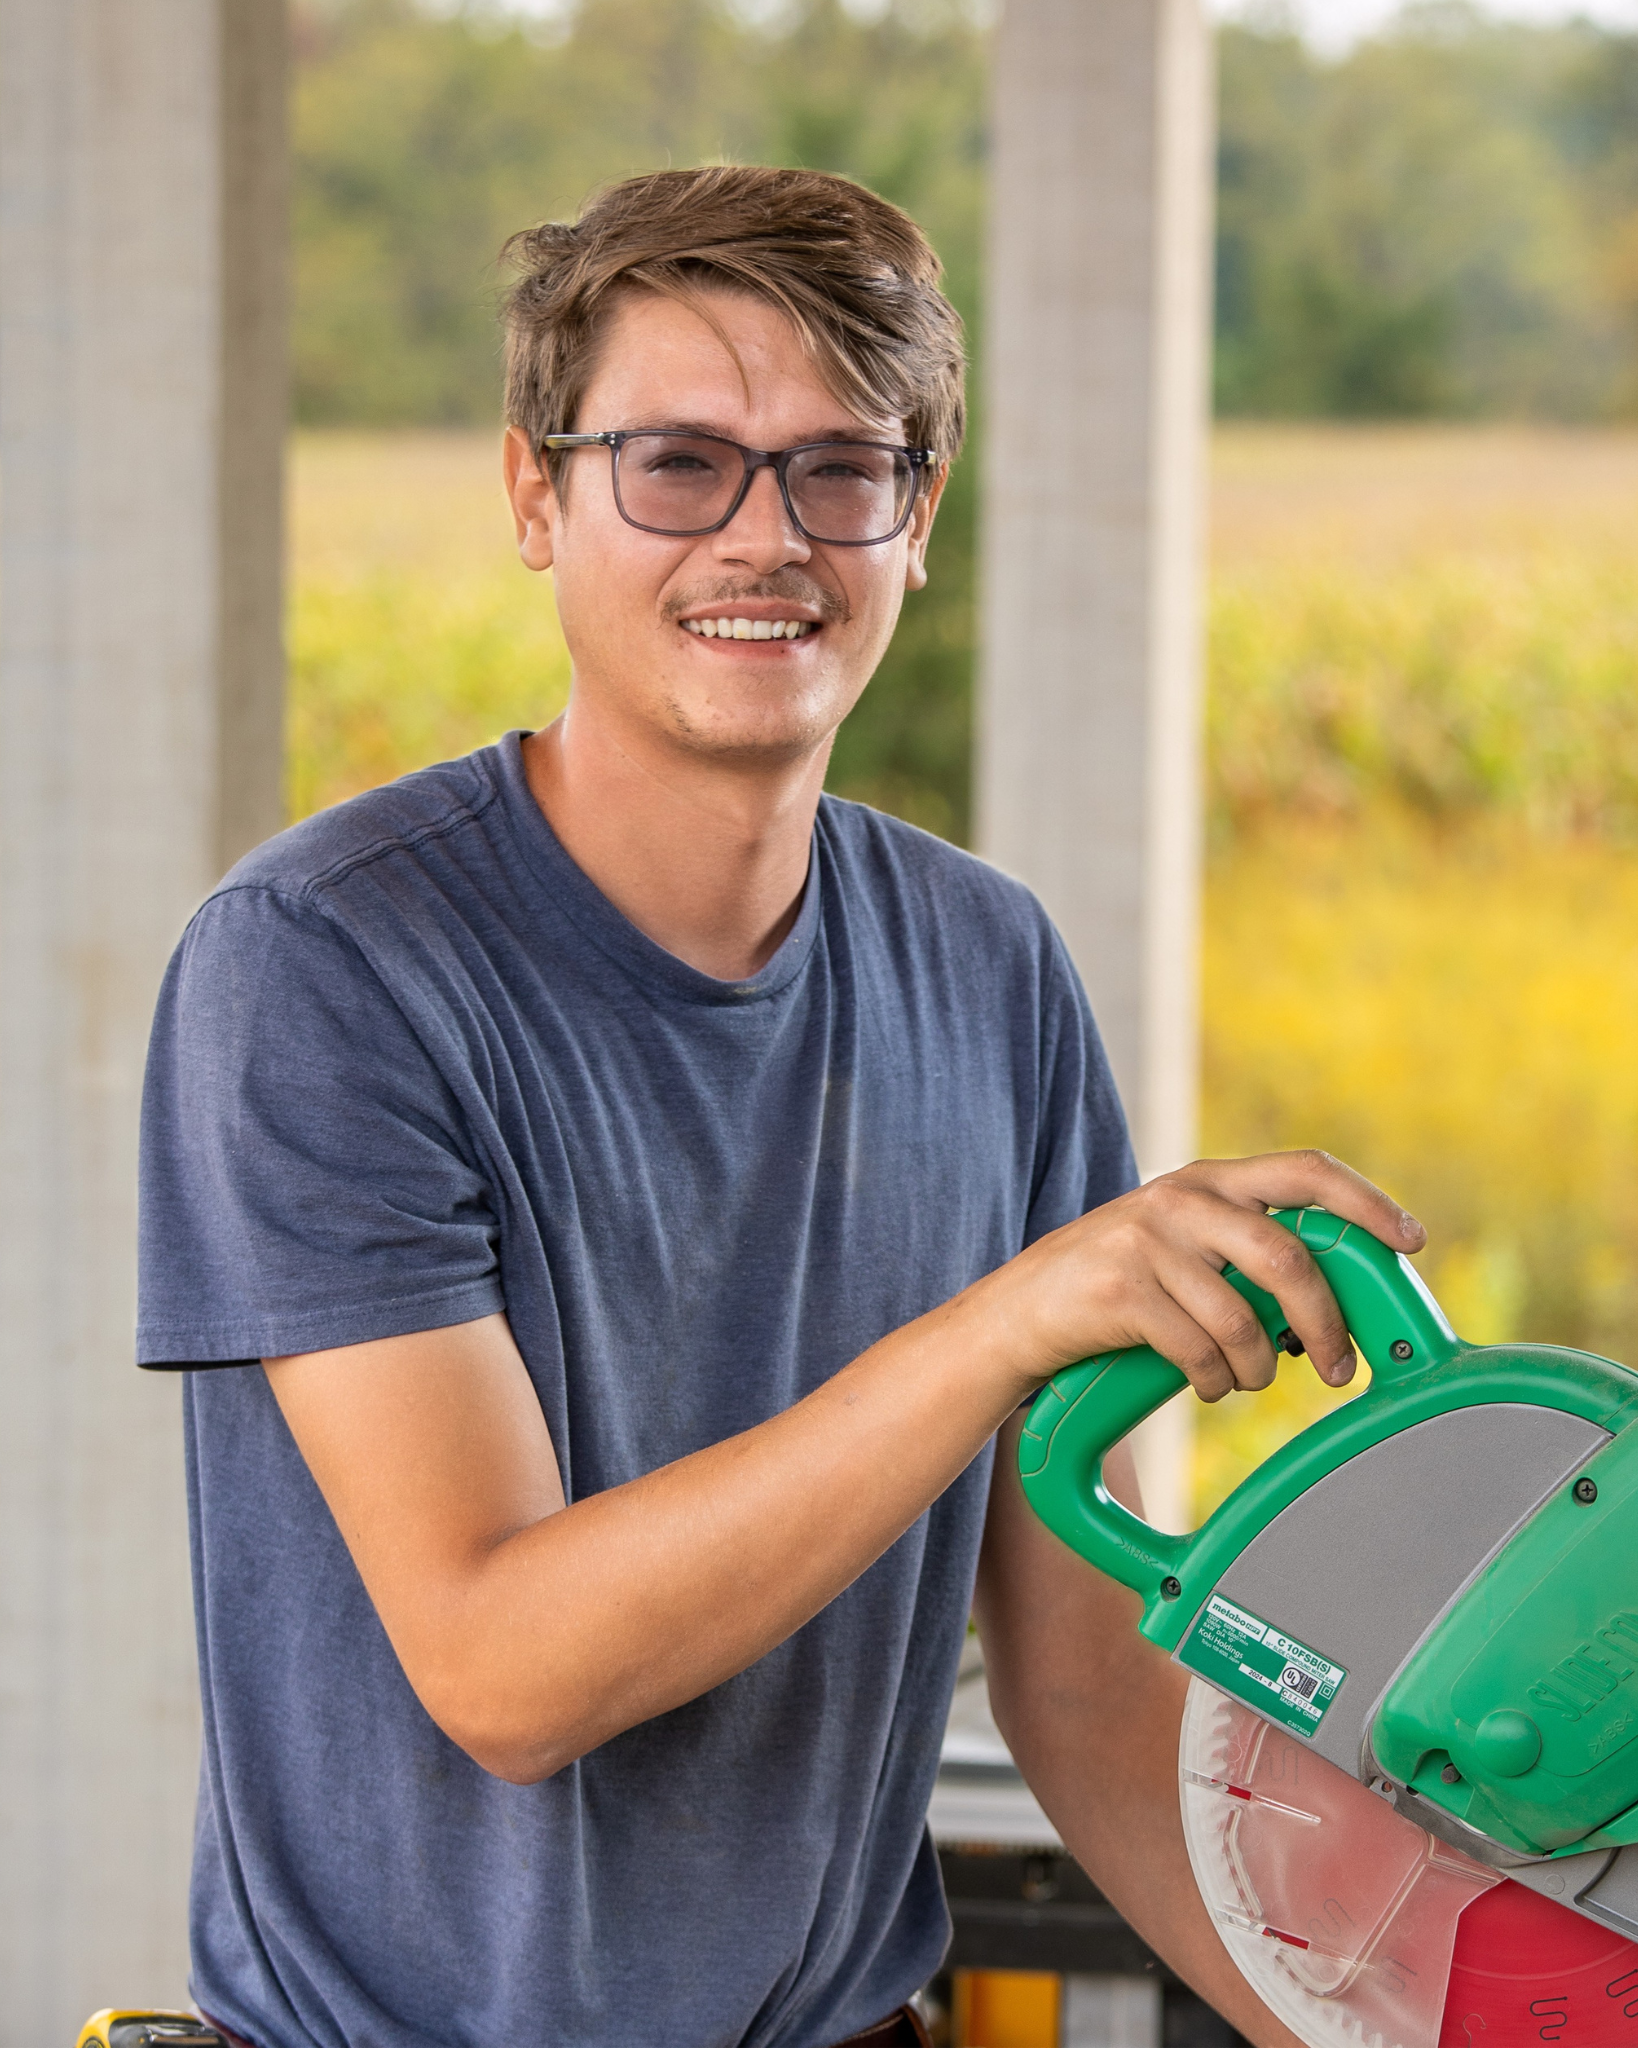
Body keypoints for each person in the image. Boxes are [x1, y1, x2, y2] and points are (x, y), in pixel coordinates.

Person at [137, 165, 1424, 2048]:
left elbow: (1083, 1689)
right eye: (675, 462)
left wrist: (1395, 2025)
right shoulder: (322, 965)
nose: (765, 538)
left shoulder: (989, 968)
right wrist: (1008, 1324)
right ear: (532, 496)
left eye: (844, 468)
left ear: (917, 523)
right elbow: (503, 1668)